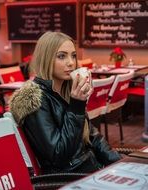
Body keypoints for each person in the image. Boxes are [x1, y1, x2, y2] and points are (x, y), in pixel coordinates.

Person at [9, 31, 122, 174]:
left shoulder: (67, 90)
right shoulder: (35, 99)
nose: (71, 62)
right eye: (61, 56)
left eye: (73, 56)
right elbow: (59, 154)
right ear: (46, 58)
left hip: (92, 169)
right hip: (70, 178)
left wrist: (121, 163)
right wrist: (76, 106)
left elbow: (92, 137)